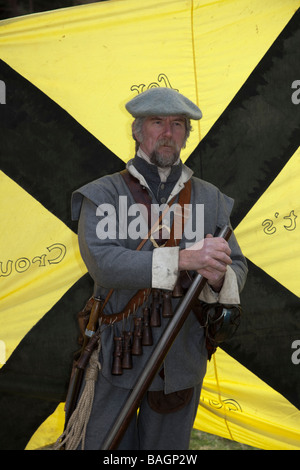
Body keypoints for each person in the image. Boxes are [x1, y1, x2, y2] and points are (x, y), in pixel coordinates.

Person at [70, 87, 248, 450]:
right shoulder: (103, 194)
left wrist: (218, 277)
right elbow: (104, 264)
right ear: (137, 130)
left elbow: (238, 266)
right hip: (116, 357)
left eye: (178, 124)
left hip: (180, 359)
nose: (168, 132)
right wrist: (184, 259)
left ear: (186, 134)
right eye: (157, 122)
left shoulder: (210, 198)